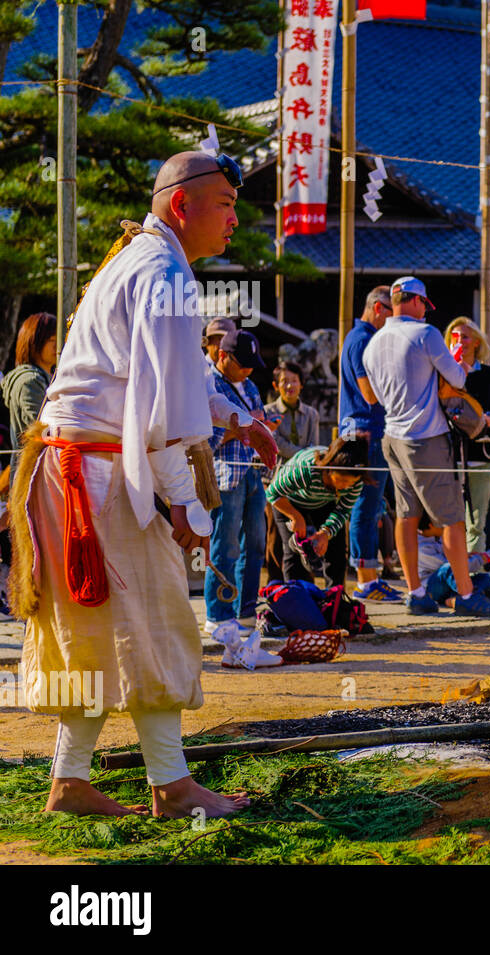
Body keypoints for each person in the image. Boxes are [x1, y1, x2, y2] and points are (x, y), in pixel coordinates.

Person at [11, 150, 275, 818]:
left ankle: (71, 778)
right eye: (225, 205)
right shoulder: (163, 273)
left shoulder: (140, 262)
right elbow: (161, 413)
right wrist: (185, 502)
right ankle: (171, 783)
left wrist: (238, 421)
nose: (235, 221)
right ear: (181, 206)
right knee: (157, 618)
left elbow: (172, 380)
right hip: (93, 473)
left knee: (100, 630)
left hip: (74, 466)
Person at [363, 275, 490, 617]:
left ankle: (416, 591)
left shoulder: (374, 342)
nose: (426, 311)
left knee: (406, 515)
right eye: (425, 304)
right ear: (414, 300)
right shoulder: (425, 334)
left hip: (392, 436)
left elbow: (377, 396)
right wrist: (462, 365)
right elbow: (457, 378)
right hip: (426, 437)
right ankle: (467, 595)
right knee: (452, 519)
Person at [206, 328, 271, 635]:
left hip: (254, 471)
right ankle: (218, 613)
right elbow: (206, 439)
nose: (248, 369)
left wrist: (257, 426)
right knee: (225, 545)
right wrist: (244, 426)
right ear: (222, 356)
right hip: (226, 473)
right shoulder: (209, 386)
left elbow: (256, 426)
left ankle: (245, 610)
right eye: (242, 362)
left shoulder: (251, 386)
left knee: (256, 543)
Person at [341, 284, 402, 602]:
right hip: (367, 431)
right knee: (366, 507)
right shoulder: (364, 340)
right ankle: (366, 579)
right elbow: (370, 393)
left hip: (360, 430)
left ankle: (367, 575)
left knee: (368, 507)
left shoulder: (357, 338)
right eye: (393, 312)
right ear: (379, 308)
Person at [266, 437, 369, 589]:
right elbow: (272, 493)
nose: (344, 486)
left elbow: (343, 511)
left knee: (337, 550)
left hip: (324, 502)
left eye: (350, 483)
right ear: (330, 468)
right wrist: (295, 516)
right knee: (294, 551)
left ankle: (334, 597)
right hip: (288, 501)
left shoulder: (356, 481)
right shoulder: (307, 469)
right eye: (340, 480)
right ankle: (298, 599)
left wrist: (325, 532)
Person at [443, 317, 490, 553]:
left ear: (477, 341)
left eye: (465, 336)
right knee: (450, 519)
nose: (461, 342)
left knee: (477, 520)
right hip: (448, 454)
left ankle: (474, 571)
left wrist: (488, 419)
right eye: (455, 337)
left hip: (482, 451)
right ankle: (453, 569)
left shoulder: (489, 373)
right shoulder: (442, 371)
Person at [2, 312, 57, 445]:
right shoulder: (30, 381)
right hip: (35, 464)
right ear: (33, 341)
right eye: (51, 340)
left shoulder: (45, 376)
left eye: (58, 340)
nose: (57, 346)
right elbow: (45, 430)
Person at [264, 360, 320, 461]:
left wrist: (309, 456)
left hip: (304, 471)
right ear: (275, 386)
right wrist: (304, 456)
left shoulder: (312, 414)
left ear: (301, 384)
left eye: (294, 380)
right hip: (276, 471)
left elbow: (314, 447)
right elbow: (276, 443)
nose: (290, 386)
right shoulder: (268, 412)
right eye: (285, 381)